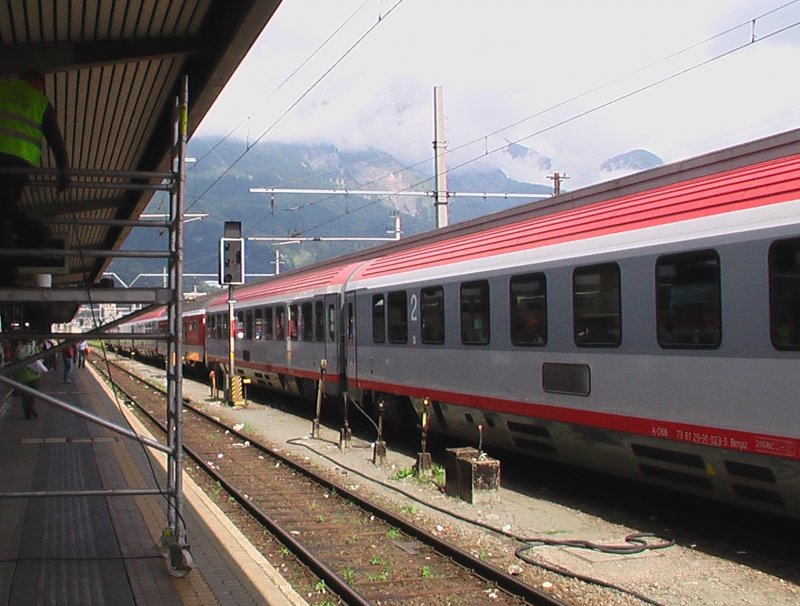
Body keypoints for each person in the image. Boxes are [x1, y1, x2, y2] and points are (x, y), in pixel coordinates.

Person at [0, 70, 71, 285]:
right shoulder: (41, 102)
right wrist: (63, 173)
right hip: (21, 162)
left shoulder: (2, 89)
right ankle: (33, 233)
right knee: (3, 210)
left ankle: (10, 268)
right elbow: (55, 140)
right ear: (39, 85)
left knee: (3, 212)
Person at [12, 337, 45, 419]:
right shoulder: (33, 347)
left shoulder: (17, 350)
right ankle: (31, 408)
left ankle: (27, 413)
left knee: (25, 397)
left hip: (21, 376)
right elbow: (40, 358)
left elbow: (14, 363)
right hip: (34, 376)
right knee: (33, 395)